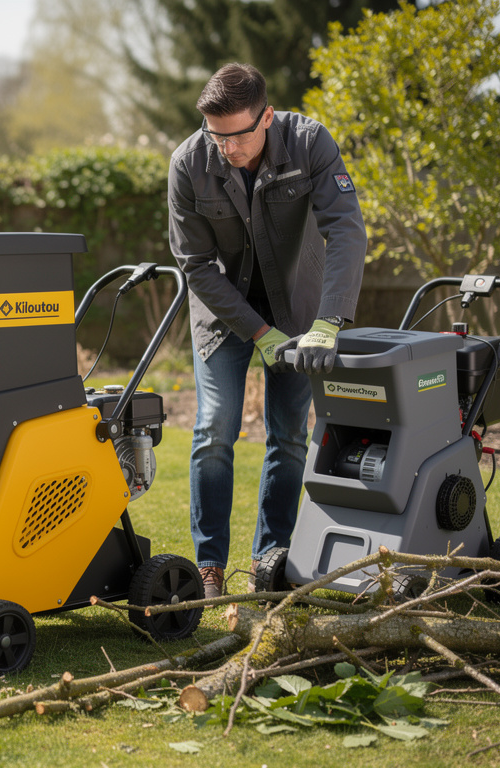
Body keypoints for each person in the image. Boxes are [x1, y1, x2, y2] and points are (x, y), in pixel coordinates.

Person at [167, 63, 367, 598]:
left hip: (299, 309)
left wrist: (329, 321)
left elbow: (345, 228)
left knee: (288, 436)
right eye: (216, 135)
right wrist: (257, 333)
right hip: (223, 310)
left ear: (267, 117)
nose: (227, 148)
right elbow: (195, 265)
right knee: (215, 430)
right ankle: (208, 567)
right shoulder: (188, 163)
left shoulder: (309, 143)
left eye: (238, 134)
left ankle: (269, 562)